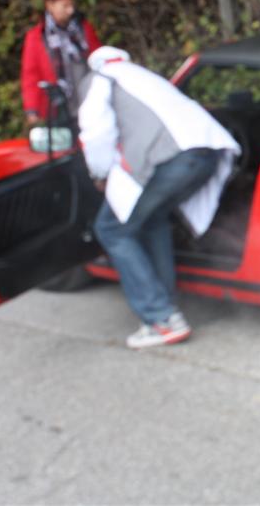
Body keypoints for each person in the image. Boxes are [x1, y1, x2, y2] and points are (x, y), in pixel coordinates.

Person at [78, 46, 240, 349]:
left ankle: (161, 318)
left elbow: (96, 131)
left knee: (111, 229)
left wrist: (98, 174)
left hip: (169, 161)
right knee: (153, 220)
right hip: (207, 153)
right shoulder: (142, 76)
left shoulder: (101, 79)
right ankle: (166, 304)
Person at [21, 0, 102, 126]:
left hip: (91, 105)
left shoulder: (84, 30)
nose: (70, 10)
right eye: (65, 6)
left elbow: (99, 59)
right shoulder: (37, 37)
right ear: (50, 5)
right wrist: (32, 109)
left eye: (72, 5)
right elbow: (30, 76)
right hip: (57, 110)